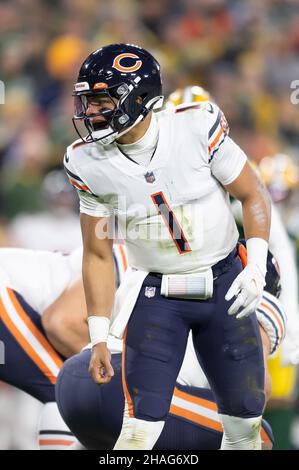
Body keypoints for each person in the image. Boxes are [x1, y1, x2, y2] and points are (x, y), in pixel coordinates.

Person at [64, 43, 271, 450]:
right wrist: (100, 335)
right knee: (139, 429)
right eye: (88, 103)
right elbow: (98, 252)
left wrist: (257, 266)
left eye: (102, 101)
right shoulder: (85, 162)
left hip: (225, 285)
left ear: (139, 97)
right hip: (159, 294)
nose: (90, 113)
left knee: (245, 425)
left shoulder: (196, 127)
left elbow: (254, 194)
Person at [0, 244, 126, 449]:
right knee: (71, 393)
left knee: (79, 394)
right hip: (6, 289)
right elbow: (62, 323)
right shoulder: (138, 259)